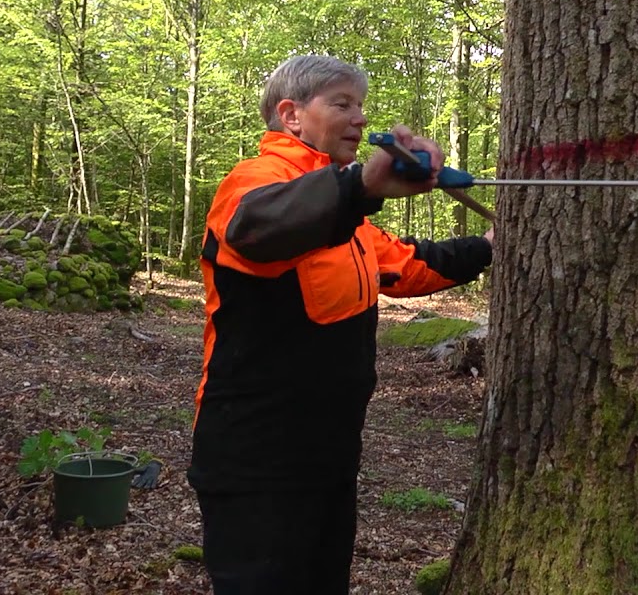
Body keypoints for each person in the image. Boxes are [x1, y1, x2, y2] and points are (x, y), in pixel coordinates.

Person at [187, 54, 494, 594]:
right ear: (292, 115)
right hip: (254, 452)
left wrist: (487, 249)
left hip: (328, 447)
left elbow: (407, 263)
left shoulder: (341, 212)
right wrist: (361, 187)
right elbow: (256, 228)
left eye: (361, 106)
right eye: (341, 104)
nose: (358, 118)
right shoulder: (257, 182)